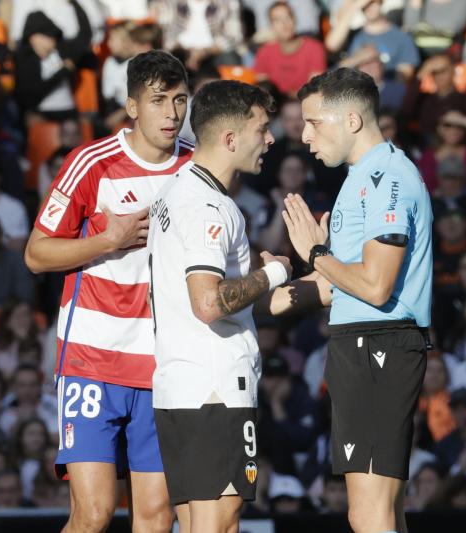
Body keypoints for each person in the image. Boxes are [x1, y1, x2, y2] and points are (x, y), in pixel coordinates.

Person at [24, 50, 193, 533]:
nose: (172, 113)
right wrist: (107, 239)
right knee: (94, 514)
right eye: (158, 101)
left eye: (180, 100)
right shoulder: (92, 162)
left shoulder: (195, 168)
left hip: (161, 365)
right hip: (93, 360)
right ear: (133, 106)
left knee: (156, 517)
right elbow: (36, 254)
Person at [276, 67, 432, 533]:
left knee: (369, 514)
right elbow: (336, 285)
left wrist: (317, 254)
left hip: (379, 343)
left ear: (352, 120)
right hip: (363, 344)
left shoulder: (387, 178)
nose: (303, 136)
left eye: (313, 123)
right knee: (383, 513)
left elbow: (375, 286)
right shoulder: (361, 179)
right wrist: (260, 290)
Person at [148, 79, 286, 533]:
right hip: (214, 389)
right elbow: (208, 303)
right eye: (262, 128)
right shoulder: (210, 208)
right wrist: (275, 272)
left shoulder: (177, 189)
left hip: (181, 385)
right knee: (219, 525)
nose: (270, 139)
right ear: (230, 139)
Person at [252, 1, 327, 96]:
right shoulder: (264, 52)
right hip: (274, 104)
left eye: (288, 17)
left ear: (295, 19)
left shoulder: (314, 48)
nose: (284, 23)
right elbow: (261, 87)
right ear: (271, 26)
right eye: (277, 20)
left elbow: (315, 89)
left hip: (302, 103)